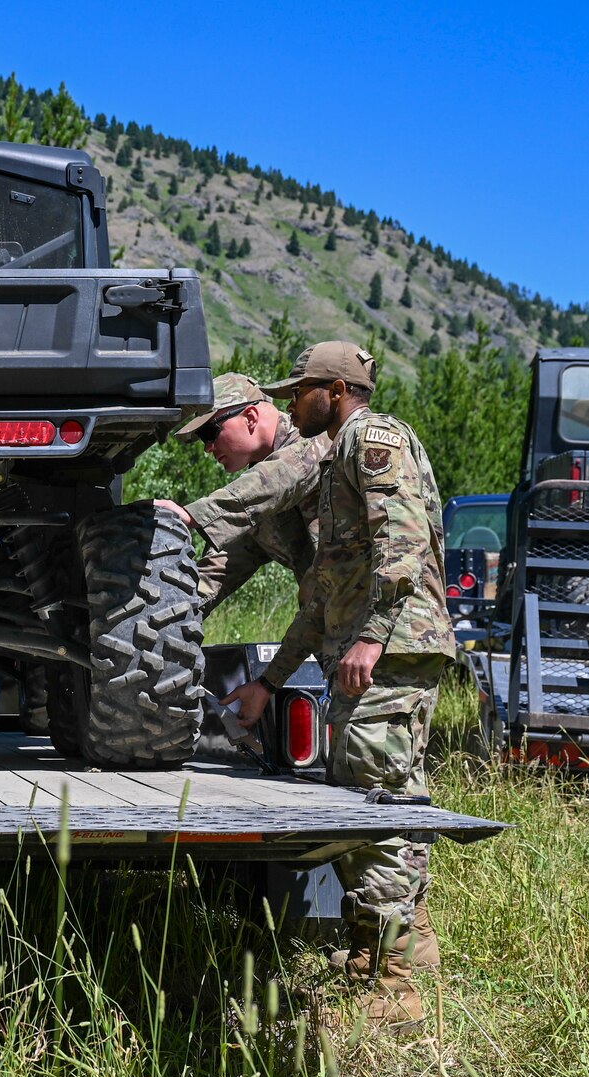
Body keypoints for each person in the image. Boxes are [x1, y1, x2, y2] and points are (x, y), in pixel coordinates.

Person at [222, 341, 455, 1029]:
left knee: (376, 806)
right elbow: (322, 592)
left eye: (299, 391)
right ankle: (389, 948)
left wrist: (371, 636)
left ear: (333, 388)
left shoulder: (369, 439)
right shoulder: (336, 458)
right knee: (377, 799)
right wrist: (268, 679)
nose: (291, 403)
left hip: (390, 649)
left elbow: (403, 544)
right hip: (371, 649)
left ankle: (397, 984)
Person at [153, 371, 332, 610]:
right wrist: (161, 617)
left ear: (250, 417)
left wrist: (192, 514)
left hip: (384, 612)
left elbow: (280, 477)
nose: (208, 448)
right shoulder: (255, 505)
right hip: (334, 619)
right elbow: (215, 574)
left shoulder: (316, 441)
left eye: (209, 433)